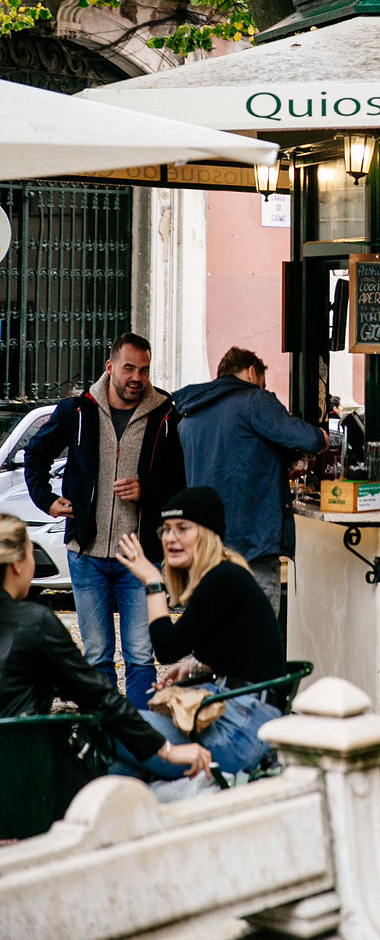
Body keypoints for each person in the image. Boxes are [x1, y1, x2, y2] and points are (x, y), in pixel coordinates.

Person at [24, 331, 184, 707]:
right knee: (97, 657)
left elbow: (181, 478)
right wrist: (47, 500)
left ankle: (144, 739)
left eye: (144, 371)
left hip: (139, 556)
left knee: (141, 657)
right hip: (86, 551)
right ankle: (106, 740)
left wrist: (147, 488)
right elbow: (36, 453)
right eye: (129, 368)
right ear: (110, 366)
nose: (136, 378)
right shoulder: (77, 410)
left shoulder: (165, 414)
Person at [0, 513, 210, 796]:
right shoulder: (35, 623)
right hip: (24, 781)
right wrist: (167, 750)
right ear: (16, 565)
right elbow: (97, 694)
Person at [114, 486, 286, 784]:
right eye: (166, 529)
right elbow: (242, 649)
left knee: (115, 727)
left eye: (183, 528)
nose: (170, 538)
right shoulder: (225, 575)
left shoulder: (221, 578)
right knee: (121, 754)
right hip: (240, 716)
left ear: (206, 534)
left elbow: (165, 649)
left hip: (241, 730)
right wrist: (197, 665)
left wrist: (154, 582)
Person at [173, 349, 328, 615]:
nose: (264, 389)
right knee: (257, 638)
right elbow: (308, 440)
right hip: (251, 542)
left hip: (205, 547)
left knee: (213, 639)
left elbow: (232, 457)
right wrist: (324, 437)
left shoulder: (190, 416)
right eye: (263, 384)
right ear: (252, 372)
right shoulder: (253, 400)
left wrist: (278, 465)